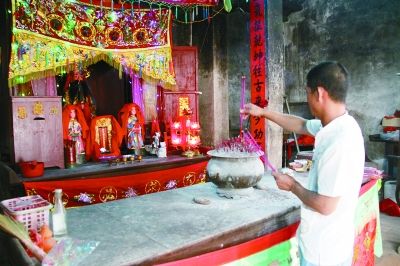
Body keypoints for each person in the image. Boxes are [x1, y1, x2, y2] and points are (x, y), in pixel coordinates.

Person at [241, 61, 365, 266]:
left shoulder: (340, 141)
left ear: (319, 93)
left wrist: (292, 185)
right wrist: (263, 113)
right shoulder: (338, 125)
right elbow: (300, 124)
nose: (308, 99)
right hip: (329, 243)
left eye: (308, 93)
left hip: (324, 252)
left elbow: (325, 205)